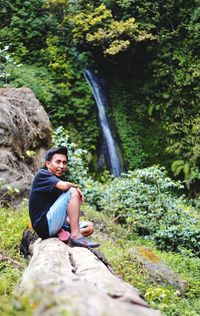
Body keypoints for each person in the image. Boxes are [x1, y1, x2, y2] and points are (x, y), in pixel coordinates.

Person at [29, 146, 99, 248]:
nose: (61, 166)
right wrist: (75, 187)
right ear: (48, 164)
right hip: (44, 225)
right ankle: (75, 236)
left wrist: (69, 220)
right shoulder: (42, 174)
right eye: (58, 162)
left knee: (89, 227)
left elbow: (58, 206)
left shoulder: (57, 179)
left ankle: (66, 238)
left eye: (64, 162)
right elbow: (65, 186)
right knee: (72, 191)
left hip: (55, 223)